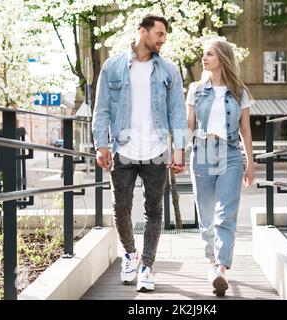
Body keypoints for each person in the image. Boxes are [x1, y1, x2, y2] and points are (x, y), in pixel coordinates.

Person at [92, 14, 187, 292]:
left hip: (157, 150)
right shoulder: (113, 67)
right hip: (122, 148)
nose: (162, 40)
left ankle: (146, 267)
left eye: (165, 36)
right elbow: (102, 110)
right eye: (159, 34)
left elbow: (178, 112)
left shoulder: (169, 70)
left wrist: (179, 149)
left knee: (154, 212)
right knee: (120, 209)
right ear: (142, 32)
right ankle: (130, 254)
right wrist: (101, 145)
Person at [186, 39, 255, 297]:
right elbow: (189, 125)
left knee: (226, 213)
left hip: (230, 154)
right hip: (201, 152)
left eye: (210, 54)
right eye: (203, 54)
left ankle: (221, 268)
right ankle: (211, 261)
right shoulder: (196, 89)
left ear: (223, 58)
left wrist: (251, 162)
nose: (204, 58)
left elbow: (245, 130)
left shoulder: (240, 92)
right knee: (206, 215)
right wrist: (178, 152)